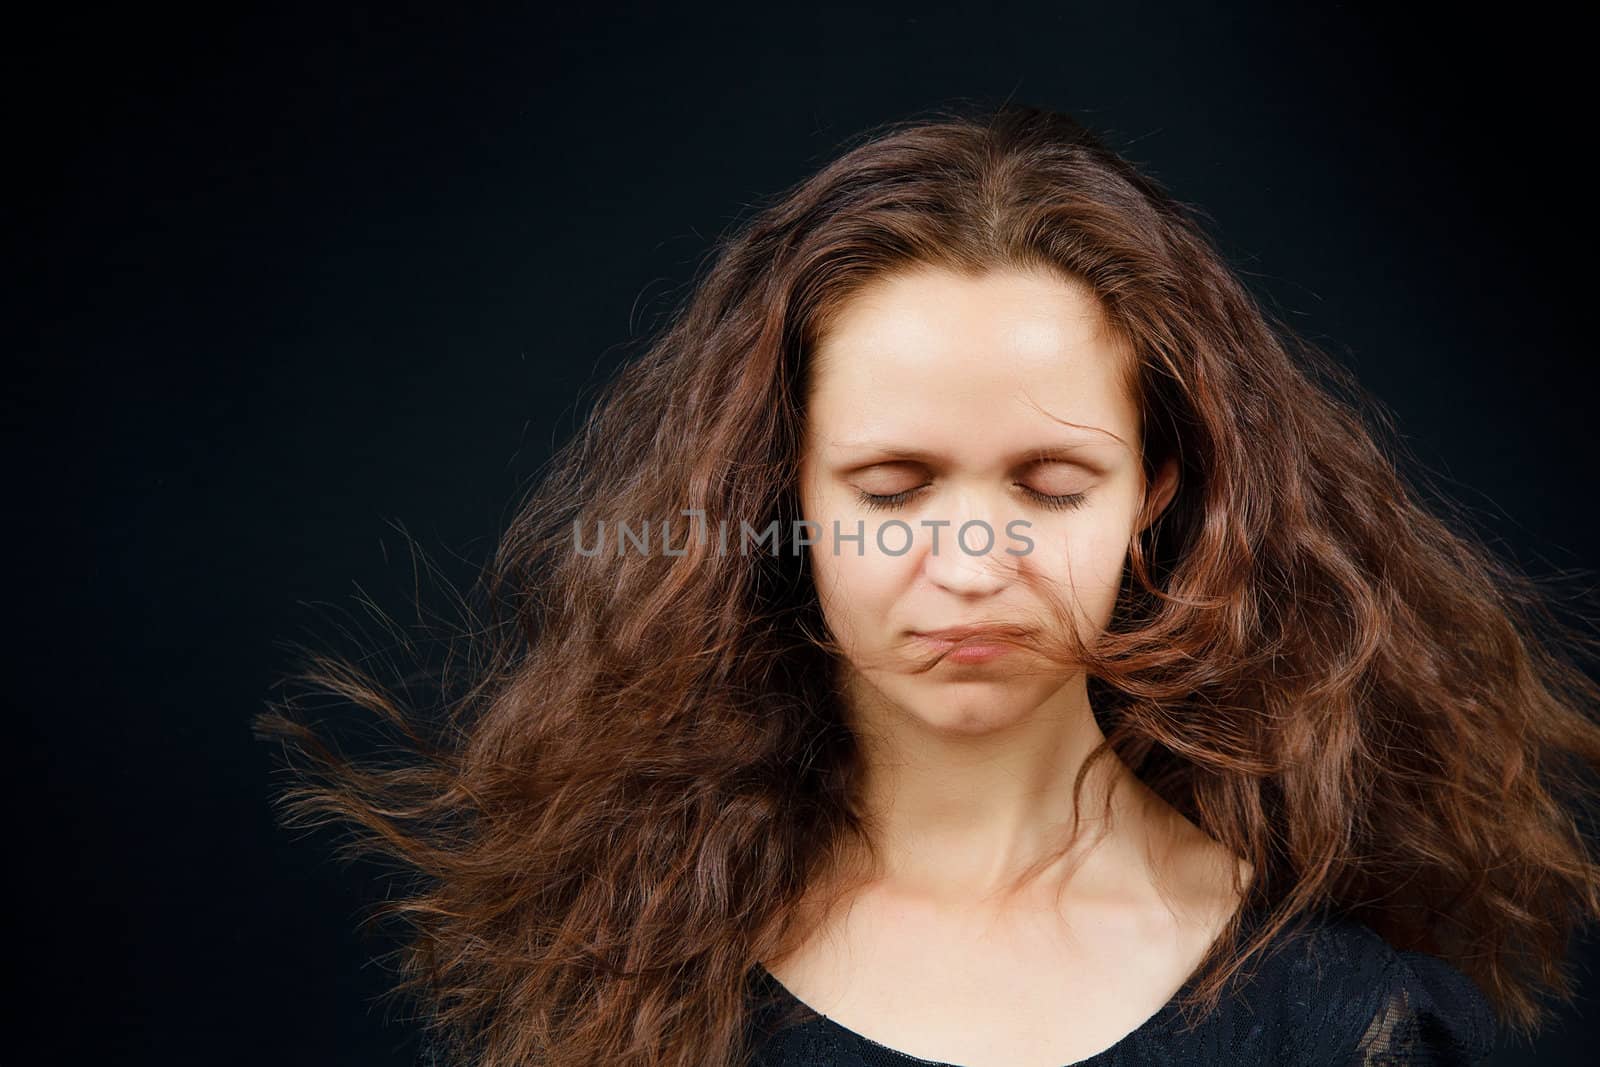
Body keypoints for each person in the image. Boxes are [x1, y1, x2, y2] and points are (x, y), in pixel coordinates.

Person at [258, 102, 1600, 1067]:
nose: (967, 562)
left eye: (1049, 485)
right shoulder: (617, 984)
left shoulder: (1343, 1017)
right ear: (782, 500)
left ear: (1159, 496)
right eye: (892, 490)